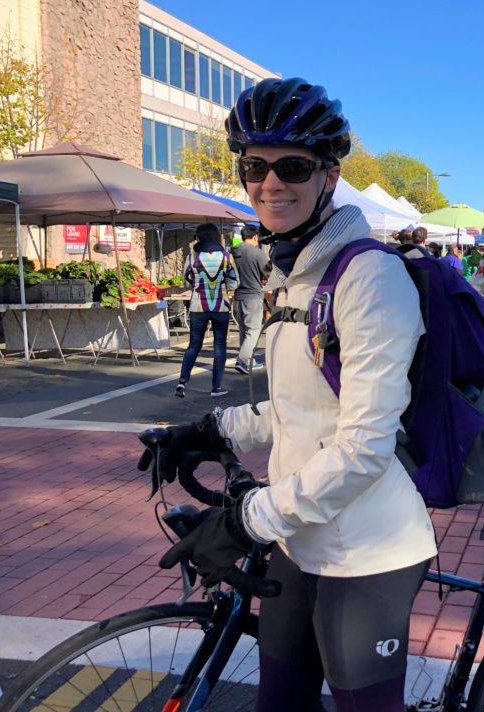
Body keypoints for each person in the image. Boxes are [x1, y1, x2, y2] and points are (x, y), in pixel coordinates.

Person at [159, 78, 436, 711]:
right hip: (297, 535)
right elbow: (300, 410)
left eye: (292, 166)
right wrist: (211, 430)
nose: (269, 183)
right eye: (253, 167)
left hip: (368, 546)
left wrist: (244, 519)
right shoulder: (293, 271)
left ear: (329, 176)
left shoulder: (369, 277)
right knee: (278, 705)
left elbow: (364, 447)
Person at [176, 223, 238, 398]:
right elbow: (235, 282)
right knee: (220, 347)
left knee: (194, 345)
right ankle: (216, 388)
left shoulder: (192, 258)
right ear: (216, 236)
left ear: (199, 237)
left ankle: (182, 382)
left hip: (197, 306)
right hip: (220, 306)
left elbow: (186, 282)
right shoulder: (227, 257)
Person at [231, 225, 269, 375]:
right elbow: (269, 272)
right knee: (253, 331)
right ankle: (242, 360)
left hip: (238, 296)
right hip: (253, 296)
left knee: (244, 331)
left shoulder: (233, 252)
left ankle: (248, 361)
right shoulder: (257, 253)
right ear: (255, 237)